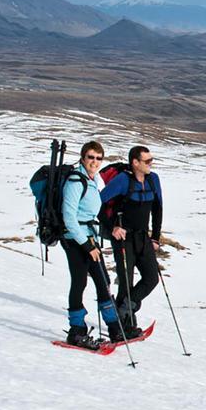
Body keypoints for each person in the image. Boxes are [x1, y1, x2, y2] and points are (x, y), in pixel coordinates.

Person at [60, 141, 125, 348]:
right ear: (82, 158)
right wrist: (86, 245)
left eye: (98, 158)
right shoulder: (75, 181)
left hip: (90, 237)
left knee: (102, 280)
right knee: (79, 281)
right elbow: (69, 218)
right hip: (74, 238)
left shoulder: (94, 180)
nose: (94, 162)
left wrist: (110, 226)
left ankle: (114, 328)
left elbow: (95, 211)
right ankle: (76, 331)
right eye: (90, 157)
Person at [99, 145, 163, 338]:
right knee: (126, 282)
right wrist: (112, 228)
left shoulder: (153, 179)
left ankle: (125, 310)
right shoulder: (122, 181)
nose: (151, 164)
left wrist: (155, 237)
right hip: (124, 238)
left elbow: (158, 209)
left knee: (151, 278)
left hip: (143, 237)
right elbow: (98, 203)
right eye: (147, 161)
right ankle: (122, 327)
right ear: (135, 162)